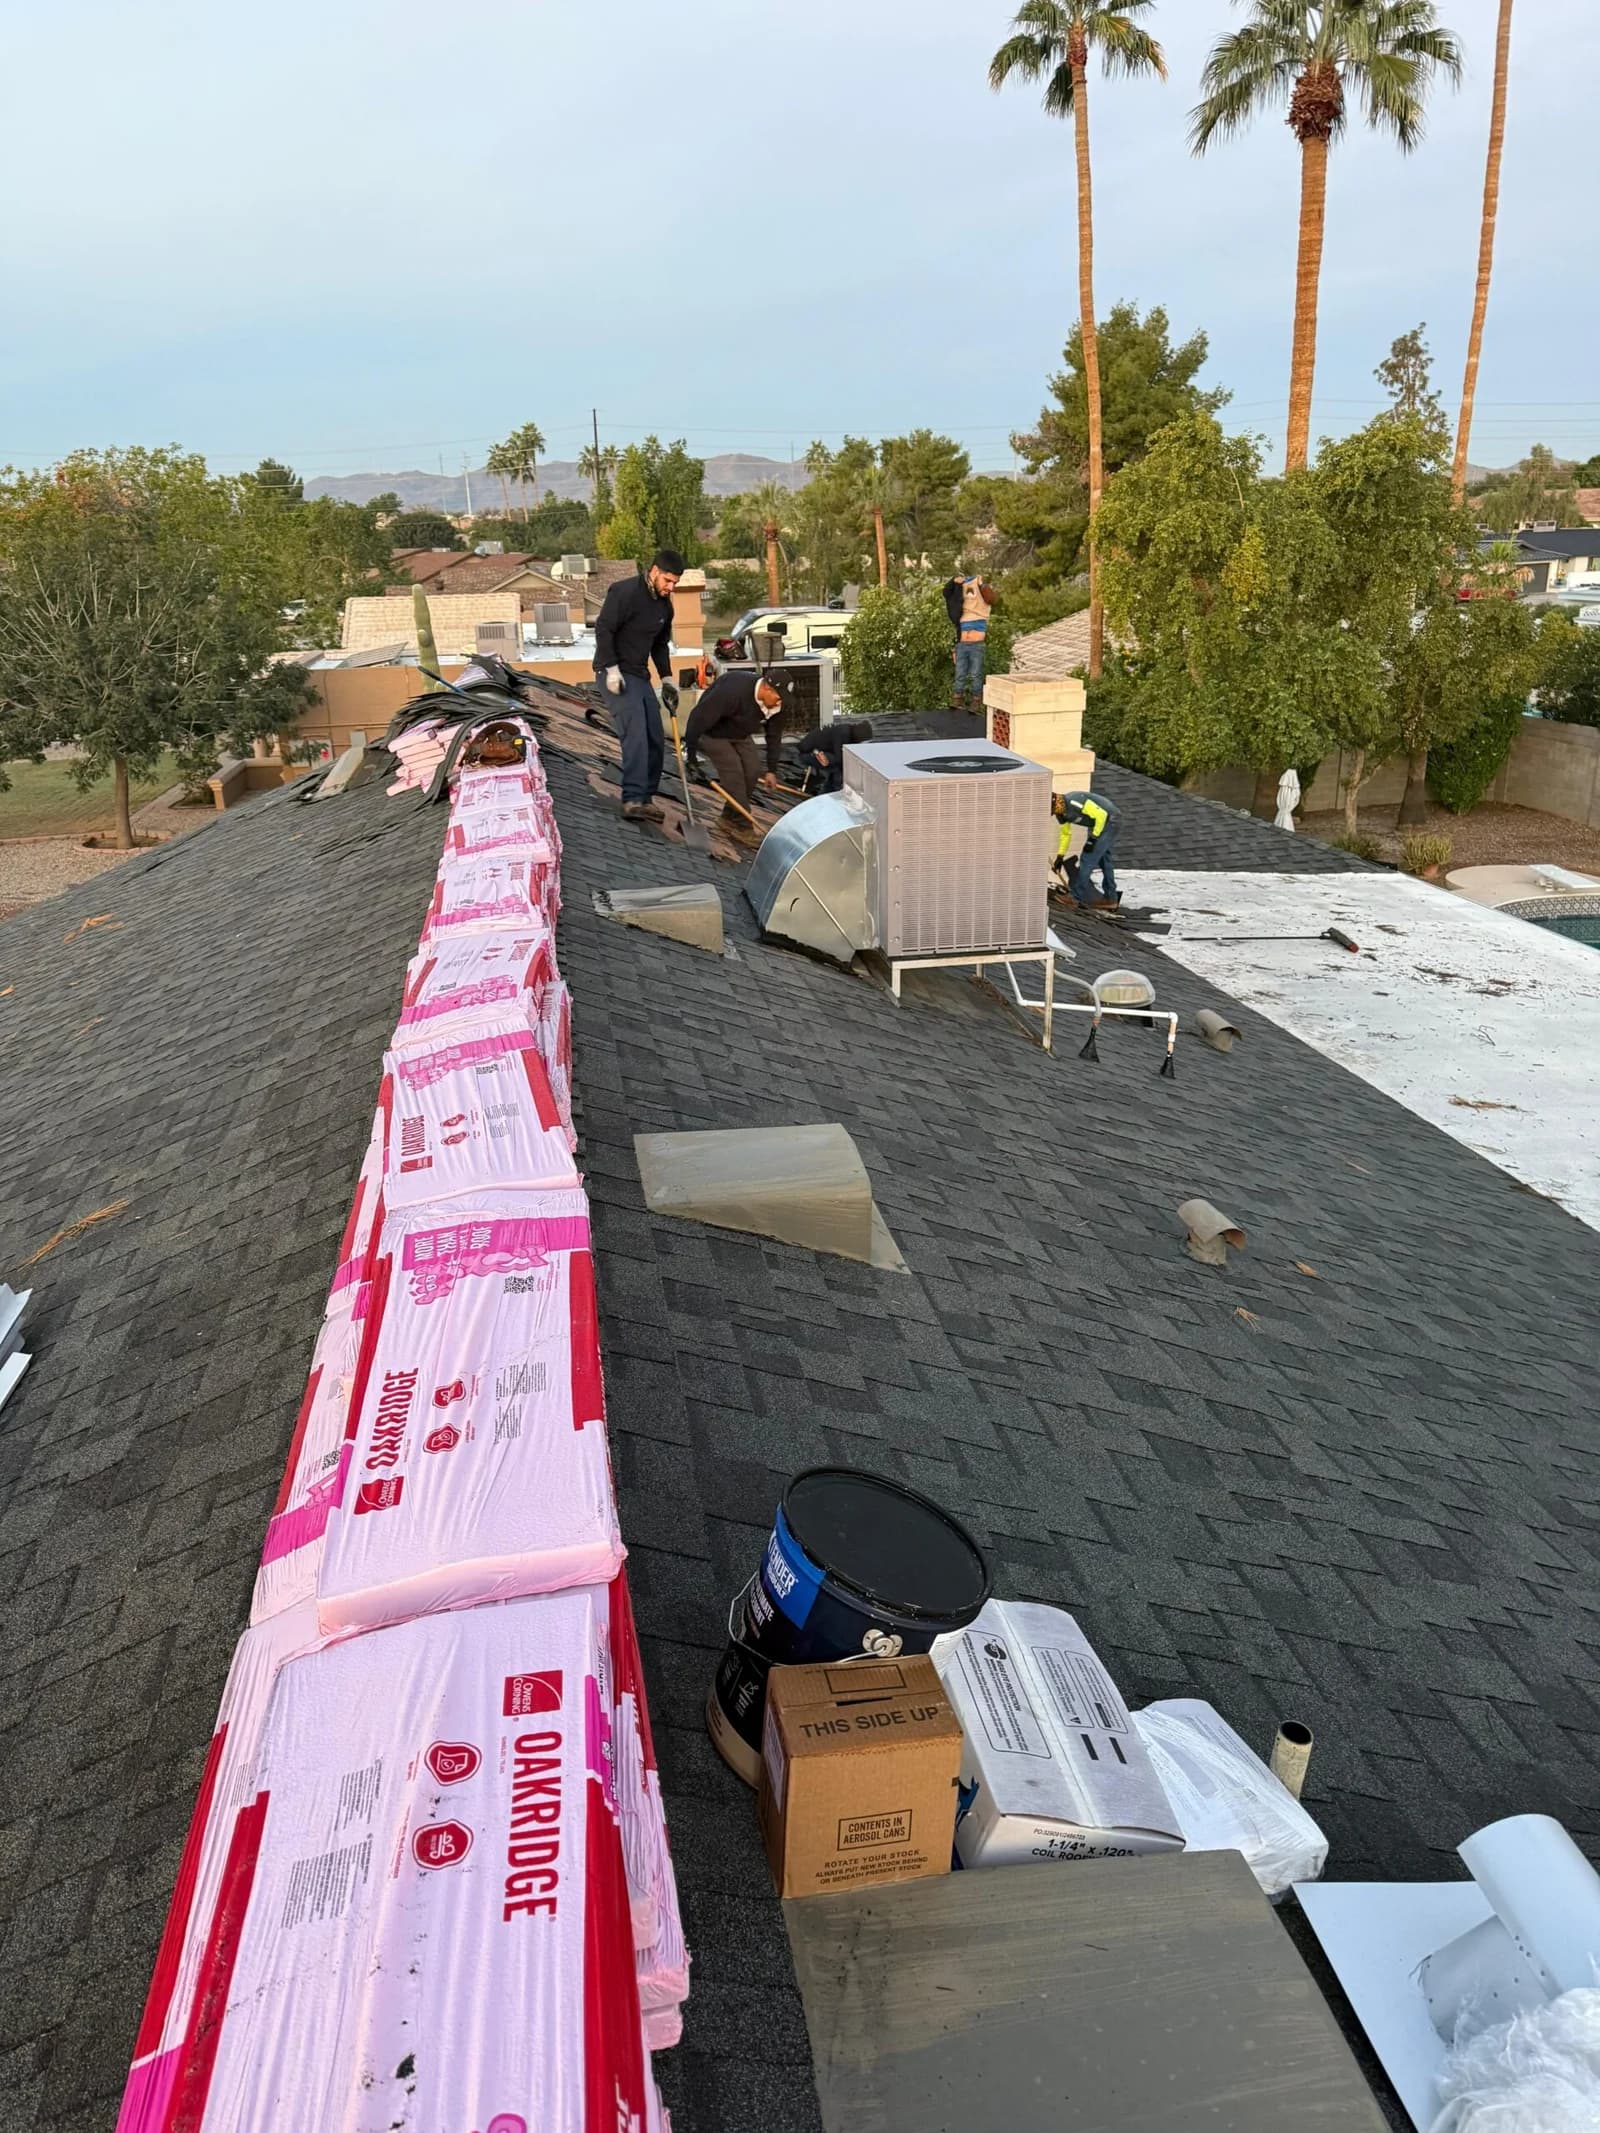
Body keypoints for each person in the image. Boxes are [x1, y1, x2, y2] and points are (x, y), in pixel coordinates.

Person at [593, 548, 684, 822]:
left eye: (675, 583)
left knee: (655, 737)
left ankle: (645, 798)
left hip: (639, 675)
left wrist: (667, 678)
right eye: (667, 581)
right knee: (635, 735)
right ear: (654, 571)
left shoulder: (664, 606)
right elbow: (604, 628)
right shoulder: (624, 592)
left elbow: (659, 645)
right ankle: (632, 799)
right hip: (614, 672)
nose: (671, 587)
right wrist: (611, 669)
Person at [684, 668, 785, 845]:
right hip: (712, 733)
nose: (780, 703)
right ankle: (743, 827)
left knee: (752, 771)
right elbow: (697, 719)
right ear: (766, 688)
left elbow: (774, 736)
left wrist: (772, 770)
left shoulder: (778, 704)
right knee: (734, 774)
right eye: (778, 698)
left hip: (740, 733)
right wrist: (691, 757)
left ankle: (728, 818)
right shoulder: (732, 692)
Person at [1052, 789, 1121, 911]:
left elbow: (1101, 815)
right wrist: (1060, 857)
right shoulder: (1061, 814)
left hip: (1111, 820)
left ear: (1057, 803)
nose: (1054, 813)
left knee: (1087, 858)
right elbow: (1066, 834)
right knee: (1104, 860)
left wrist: (1093, 838)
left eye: (1053, 810)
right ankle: (1111, 898)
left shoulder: (1074, 801)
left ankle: (1074, 898)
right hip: (1104, 824)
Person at [943, 572, 996, 711]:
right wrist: (954, 581)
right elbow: (946, 592)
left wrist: (981, 585)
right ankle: (957, 699)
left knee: (975, 674)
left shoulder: (981, 606)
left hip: (976, 645)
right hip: (962, 644)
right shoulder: (961, 612)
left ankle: (975, 701)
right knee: (960, 673)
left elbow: (991, 598)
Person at [796, 717, 872, 795]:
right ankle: (836, 790)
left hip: (817, 751)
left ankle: (828, 791)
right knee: (836, 764)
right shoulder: (843, 733)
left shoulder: (847, 731)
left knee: (836, 763)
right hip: (808, 753)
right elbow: (840, 758)